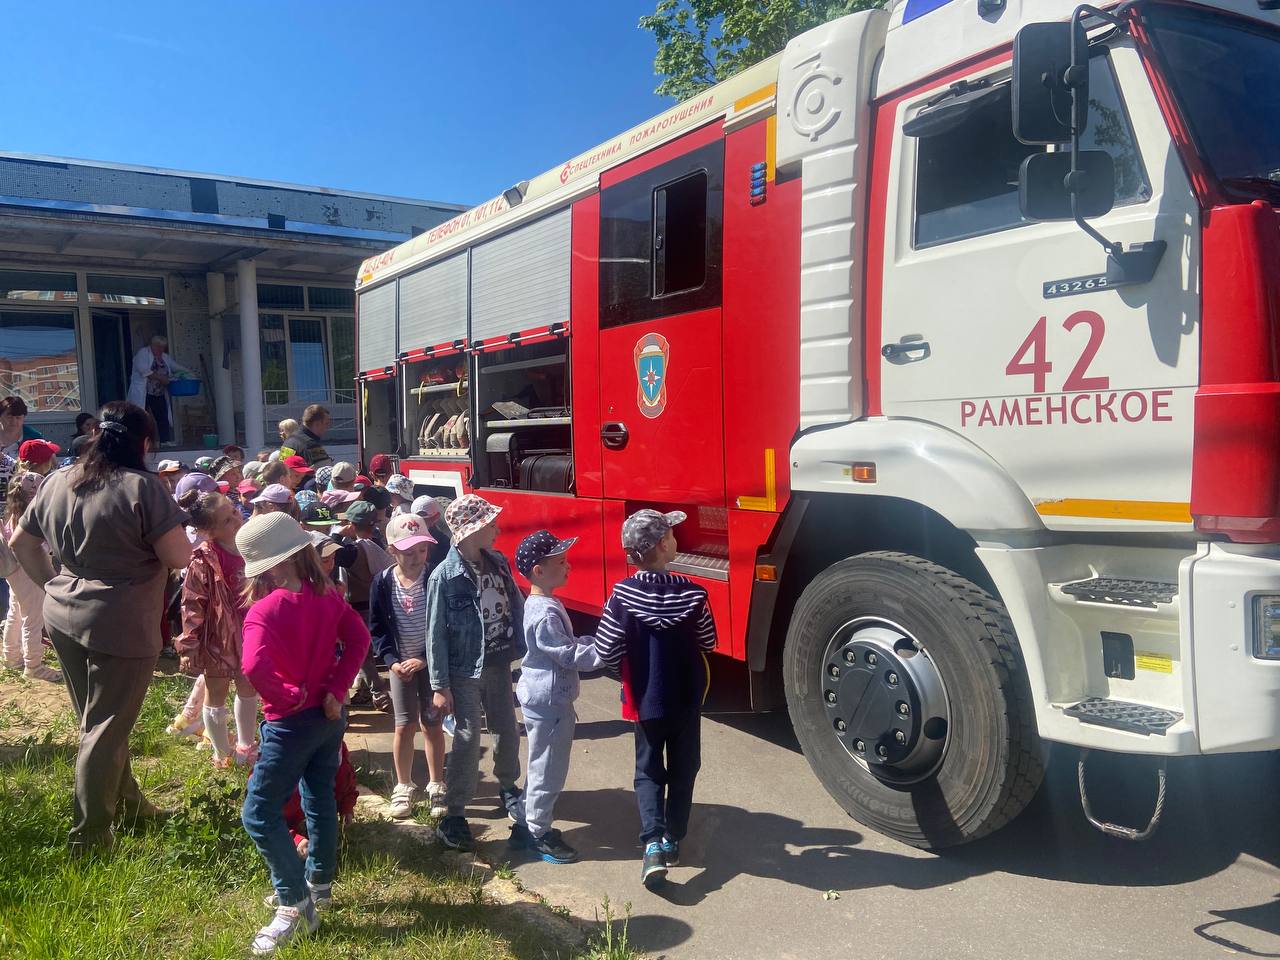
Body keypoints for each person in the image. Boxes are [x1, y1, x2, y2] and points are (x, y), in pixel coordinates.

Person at [10, 401, 192, 856]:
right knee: (106, 727)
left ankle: (129, 806)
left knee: (98, 723)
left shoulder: (56, 479)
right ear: (144, 443)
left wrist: (51, 584)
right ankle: (89, 838)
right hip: (122, 619)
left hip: (64, 612)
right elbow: (178, 558)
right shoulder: (143, 488)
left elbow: (21, 542)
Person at [235, 513, 370, 955]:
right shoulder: (329, 596)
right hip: (328, 718)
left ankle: (295, 904)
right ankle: (319, 882)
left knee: (258, 813)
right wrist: (335, 687)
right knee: (319, 798)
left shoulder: (263, 609)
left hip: (290, 723)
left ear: (270, 566)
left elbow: (253, 666)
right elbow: (360, 639)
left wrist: (287, 694)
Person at [594, 509, 717, 890]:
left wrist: (626, 675)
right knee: (685, 767)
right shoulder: (694, 593)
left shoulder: (622, 595)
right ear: (664, 546)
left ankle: (651, 845)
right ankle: (673, 838)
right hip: (686, 698)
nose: (677, 540)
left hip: (645, 699)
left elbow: (605, 648)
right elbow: (708, 641)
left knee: (648, 770)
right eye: (674, 535)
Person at [425, 494, 526, 852]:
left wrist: (527, 648)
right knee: (467, 738)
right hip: (464, 669)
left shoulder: (497, 561)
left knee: (506, 728)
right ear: (472, 531)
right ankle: (454, 812)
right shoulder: (444, 576)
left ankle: (509, 787)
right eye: (491, 524)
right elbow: (434, 632)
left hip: (498, 660)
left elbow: (516, 603)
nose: (498, 529)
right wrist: (440, 685)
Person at [508, 530, 602, 863]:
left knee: (540, 763)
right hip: (549, 701)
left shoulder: (543, 602)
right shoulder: (545, 612)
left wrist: (591, 641)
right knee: (549, 769)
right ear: (538, 570)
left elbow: (567, 643)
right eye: (560, 562)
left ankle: (523, 822)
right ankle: (539, 833)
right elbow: (565, 653)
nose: (569, 567)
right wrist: (605, 653)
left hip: (544, 698)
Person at [175, 489, 258, 768]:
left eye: (234, 511)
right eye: (227, 520)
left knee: (248, 688)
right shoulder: (203, 559)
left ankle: (246, 747)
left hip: (251, 631)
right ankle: (222, 753)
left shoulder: (253, 548)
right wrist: (189, 644)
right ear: (209, 532)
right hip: (217, 637)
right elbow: (192, 604)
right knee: (217, 692)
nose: (236, 518)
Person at [370, 514, 445, 821]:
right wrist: (392, 661)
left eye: (422, 551)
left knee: (432, 723)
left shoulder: (435, 578)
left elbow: (444, 627)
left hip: (431, 664)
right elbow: (378, 629)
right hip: (400, 666)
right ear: (392, 551)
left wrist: (426, 659)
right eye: (408, 552)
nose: (416, 558)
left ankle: (437, 784)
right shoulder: (383, 582)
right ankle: (403, 785)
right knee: (404, 725)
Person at [2, 471, 61, 682]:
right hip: (29, 570)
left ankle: (11, 656)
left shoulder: (13, 514)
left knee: (16, 612)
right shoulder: (30, 516)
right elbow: (39, 547)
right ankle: (33, 665)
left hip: (15, 571)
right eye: (38, 485)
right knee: (33, 617)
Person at [336, 500, 393, 712]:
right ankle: (369, 690)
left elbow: (336, 556)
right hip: (379, 603)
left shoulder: (354, 549)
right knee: (375, 649)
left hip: (360, 607)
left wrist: (335, 534)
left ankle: (379, 694)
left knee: (363, 653)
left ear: (351, 524)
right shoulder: (377, 542)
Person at [127, 335, 190, 445]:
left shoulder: (165, 357)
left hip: (158, 392)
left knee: (162, 417)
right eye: (158, 347)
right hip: (144, 392)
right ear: (152, 345)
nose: (161, 349)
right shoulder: (143, 353)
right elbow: (144, 371)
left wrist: (189, 374)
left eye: (163, 347)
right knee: (141, 417)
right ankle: (140, 442)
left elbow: (176, 367)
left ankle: (165, 441)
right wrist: (162, 378)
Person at [279, 405, 333, 469]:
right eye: (326, 423)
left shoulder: (289, 440)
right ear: (317, 424)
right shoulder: (311, 445)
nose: (327, 427)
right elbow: (325, 472)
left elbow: (282, 466)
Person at [0, 396, 27, 460]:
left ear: (23, 418)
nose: (14, 421)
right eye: (9, 417)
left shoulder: (33, 437)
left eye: (18, 417)